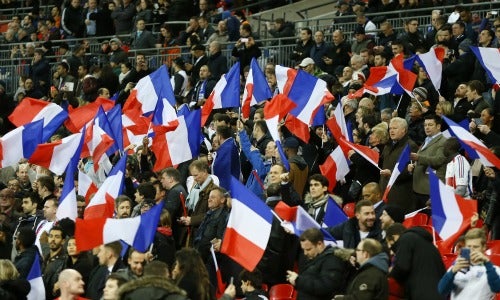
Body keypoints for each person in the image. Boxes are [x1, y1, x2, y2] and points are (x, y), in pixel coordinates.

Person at [286, 228, 349, 299]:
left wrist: (298, 280)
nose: (305, 253)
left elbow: (326, 287)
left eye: (308, 249)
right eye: (303, 249)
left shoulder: (333, 260)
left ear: (319, 244)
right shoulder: (315, 257)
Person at [438, 228, 500, 299]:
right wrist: (452, 272)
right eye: (469, 246)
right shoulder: (456, 268)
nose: (471, 250)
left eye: (476, 247)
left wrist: (488, 264)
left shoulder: (494, 270)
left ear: (484, 247)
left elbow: (496, 288)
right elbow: (442, 291)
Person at [390, 226, 446, 299]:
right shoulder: (430, 246)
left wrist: (391, 274)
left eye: (390, 244)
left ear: (394, 237)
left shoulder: (406, 238)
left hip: (421, 294)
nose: (391, 252)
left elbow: (402, 267)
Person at [408, 114, 448, 209]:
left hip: (430, 190)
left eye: (430, 125)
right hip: (418, 188)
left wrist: (418, 158)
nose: (427, 127)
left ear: (438, 126)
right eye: (425, 125)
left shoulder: (443, 141)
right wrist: (413, 166)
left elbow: (439, 160)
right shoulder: (426, 140)